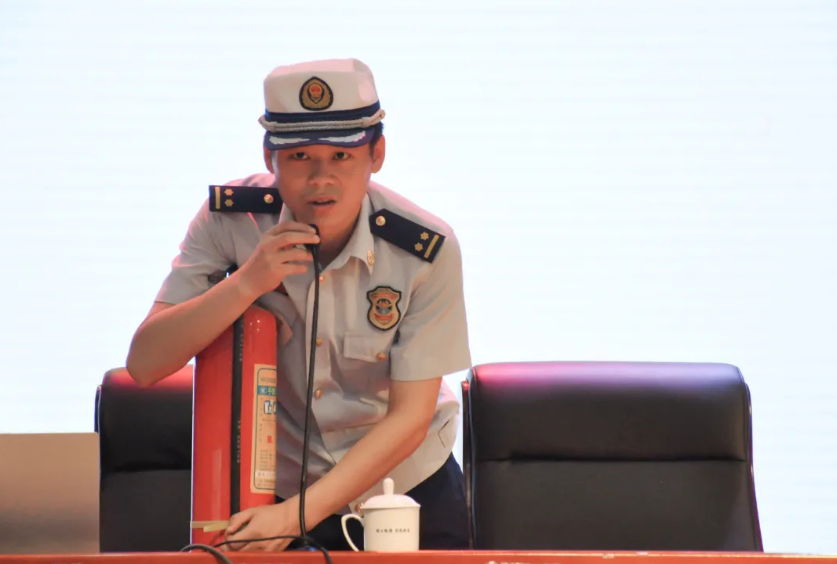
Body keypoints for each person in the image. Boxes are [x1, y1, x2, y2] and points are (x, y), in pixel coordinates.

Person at [126, 58, 472, 552]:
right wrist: (247, 283)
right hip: (279, 487)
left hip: (403, 487)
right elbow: (145, 363)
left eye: (342, 156)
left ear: (376, 154)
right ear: (270, 157)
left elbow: (410, 417)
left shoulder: (423, 249)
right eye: (300, 156)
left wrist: (297, 516)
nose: (320, 178)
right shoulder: (230, 221)